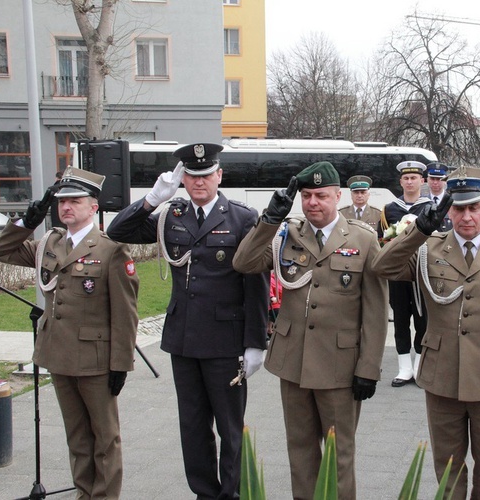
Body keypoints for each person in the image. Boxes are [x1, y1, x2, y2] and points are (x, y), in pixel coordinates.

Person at [106, 143, 268, 499]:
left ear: (219, 175)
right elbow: (117, 232)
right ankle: (204, 493)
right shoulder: (171, 215)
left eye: (206, 174)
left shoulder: (242, 218)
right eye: (191, 176)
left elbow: (255, 283)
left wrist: (256, 342)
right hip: (183, 339)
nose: (198, 182)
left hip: (226, 341)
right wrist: (152, 199)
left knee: (229, 427)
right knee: (192, 426)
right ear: (184, 180)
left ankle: (231, 494)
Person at [372, 165, 480, 499]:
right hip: (442, 375)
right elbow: (382, 266)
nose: (466, 216)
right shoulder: (427, 247)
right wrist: (418, 231)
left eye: (474, 207)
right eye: (458, 208)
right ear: (449, 210)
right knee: (447, 470)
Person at [233, 162, 388, 500]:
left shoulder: (362, 239)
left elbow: (375, 312)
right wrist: (269, 220)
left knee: (339, 455)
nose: (313, 202)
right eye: (306, 196)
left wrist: (369, 368)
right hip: (294, 362)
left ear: (338, 195)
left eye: (320, 195)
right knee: (300, 452)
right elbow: (244, 263)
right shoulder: (286, 233)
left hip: (340, 366)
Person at [0, 168, 139, 499]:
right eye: (61, 202)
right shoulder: (49, 244)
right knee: (77, 437)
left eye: (74, 201)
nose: (66, 207)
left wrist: (120, 364)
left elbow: (126, 315)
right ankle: (84, 492)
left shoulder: (111, 250)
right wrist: (28, 221)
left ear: (93, 207)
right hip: (57, 355)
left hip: (96, 362)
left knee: (105, 438)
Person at [380, 160, 432, 387]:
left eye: (414, 178)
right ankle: (404, 368)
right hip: (398, 273)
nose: (410, 182)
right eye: (406, 178)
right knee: (400, 318)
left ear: (423, 180)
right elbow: (382, 239)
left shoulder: (430, 207)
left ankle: (420, 366)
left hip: (422, 271)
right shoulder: (390, 209)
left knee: (424, 320)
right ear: (400, 181)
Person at [425, 162, 453, 231]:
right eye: (432, 178)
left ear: (445, 181)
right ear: (427, 179)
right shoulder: (422, 201)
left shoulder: (452, 201)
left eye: (439, 179)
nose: (435, 182)